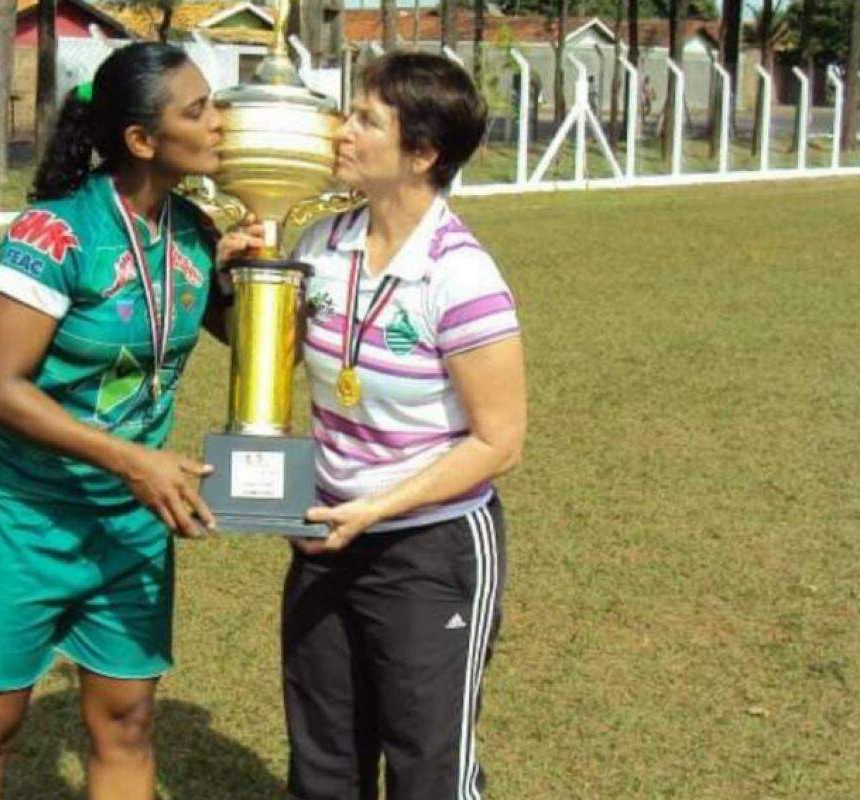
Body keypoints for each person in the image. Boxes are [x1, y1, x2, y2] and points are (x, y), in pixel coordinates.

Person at [0, 42, 251, 800]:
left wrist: (262, 269)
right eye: (198, 110)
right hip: (25, 516)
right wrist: (134, 460)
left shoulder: (195, 234)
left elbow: (261, 353)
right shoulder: (54, 234)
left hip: (131, 522)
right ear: (142, 140)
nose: (219, 123)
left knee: (126, 724)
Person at [283, 52, 528, 800]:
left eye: (366, 120)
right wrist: (249, 280)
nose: (343, 130)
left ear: (421, 154)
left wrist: (378, 509)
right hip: (326, 532)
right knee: (323, 763)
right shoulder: (320, 245)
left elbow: (500, 442)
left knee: (427, 768)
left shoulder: (461, 276)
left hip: (430, 548)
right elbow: (274, 357)